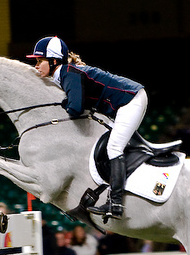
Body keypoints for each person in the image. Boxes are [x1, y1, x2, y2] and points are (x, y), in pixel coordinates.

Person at [27, 36, 148, 220]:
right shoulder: (64, 74)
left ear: (53, 61)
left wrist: (63, 104)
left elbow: (75, 109)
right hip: (125, 102)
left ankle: (116, 203)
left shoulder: (67, 72)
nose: (36, 65)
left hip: (129, 101)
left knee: (114, 147)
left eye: (39, 60)